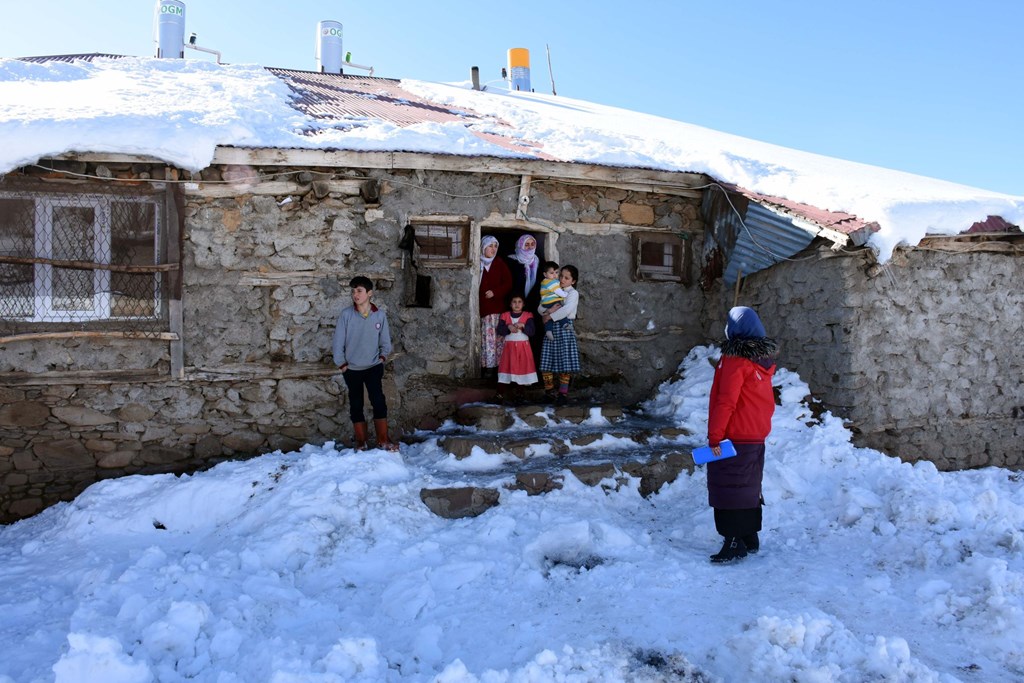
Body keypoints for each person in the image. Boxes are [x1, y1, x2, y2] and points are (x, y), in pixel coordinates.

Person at [705, 306, 778, 563]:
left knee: (729, 487)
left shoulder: (735, 360)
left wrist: (715, 437)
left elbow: (726, 401)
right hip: (755, 435)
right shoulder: (762, 361)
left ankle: (733, 541)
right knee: (748, 486)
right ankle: (749, 536)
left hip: (734, 434)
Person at [332, 276, 399, 452]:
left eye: (359, 291)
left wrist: (383, 358)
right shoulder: (346, 315)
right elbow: (338, 343)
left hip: (373, 367)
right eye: (353, 291)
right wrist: (342, 364)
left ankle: (383, 439)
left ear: (369, 293)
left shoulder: (379, 315)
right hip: (352, 369)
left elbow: (385, 342)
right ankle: (361, 441)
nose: (355, 294)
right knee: (356, 404)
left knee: (378, 401)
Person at [538, 265, 580, 405]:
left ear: (573, 281)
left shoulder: (572, 293)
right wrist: (546, 311)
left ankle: (563, 393)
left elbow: (567, 310)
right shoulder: (553, 288)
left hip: (564, 328)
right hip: (551, 329)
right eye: (561, 275)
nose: (562, 279)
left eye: (566, 278)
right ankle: (549, 391)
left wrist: (549, 316)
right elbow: (540, 305)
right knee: (547, 360)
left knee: (564, 363)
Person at [479, 235, 512, 382]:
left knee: (499, 339)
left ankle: (500, 368)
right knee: (487, 340)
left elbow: (508, 283)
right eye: (490, 246)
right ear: (483, 247)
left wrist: (495, 292)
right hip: (483, 310)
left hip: (498, 309)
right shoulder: (478, 263)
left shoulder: (499, 263)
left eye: (495, 246)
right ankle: (488, 368)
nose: (493, 249)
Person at [495, 294, 538, 403]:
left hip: (523, 347)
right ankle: (499, 393)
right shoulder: (505, 315)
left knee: (521, 368)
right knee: (505, 368)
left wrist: (523, 325)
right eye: (514, 302)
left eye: (519, 302)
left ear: (523, 304)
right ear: (510, 304)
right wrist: (508, 327)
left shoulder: (528, 315)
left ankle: (520, 394)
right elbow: (500, 330)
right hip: (509, 348)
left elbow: (532, 331)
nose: (517, 304)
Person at [538, 261, 567, 340]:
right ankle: (564, 324)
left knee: (548, 317)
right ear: (545, 274)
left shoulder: (546, 282)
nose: (555, 275)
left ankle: (548, 331)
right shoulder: (550, 282)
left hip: (546, 303)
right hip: (551, 302)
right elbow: (559, 292)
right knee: (560, 310)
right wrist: (566, 295)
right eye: (551, 273)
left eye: (556, 272)